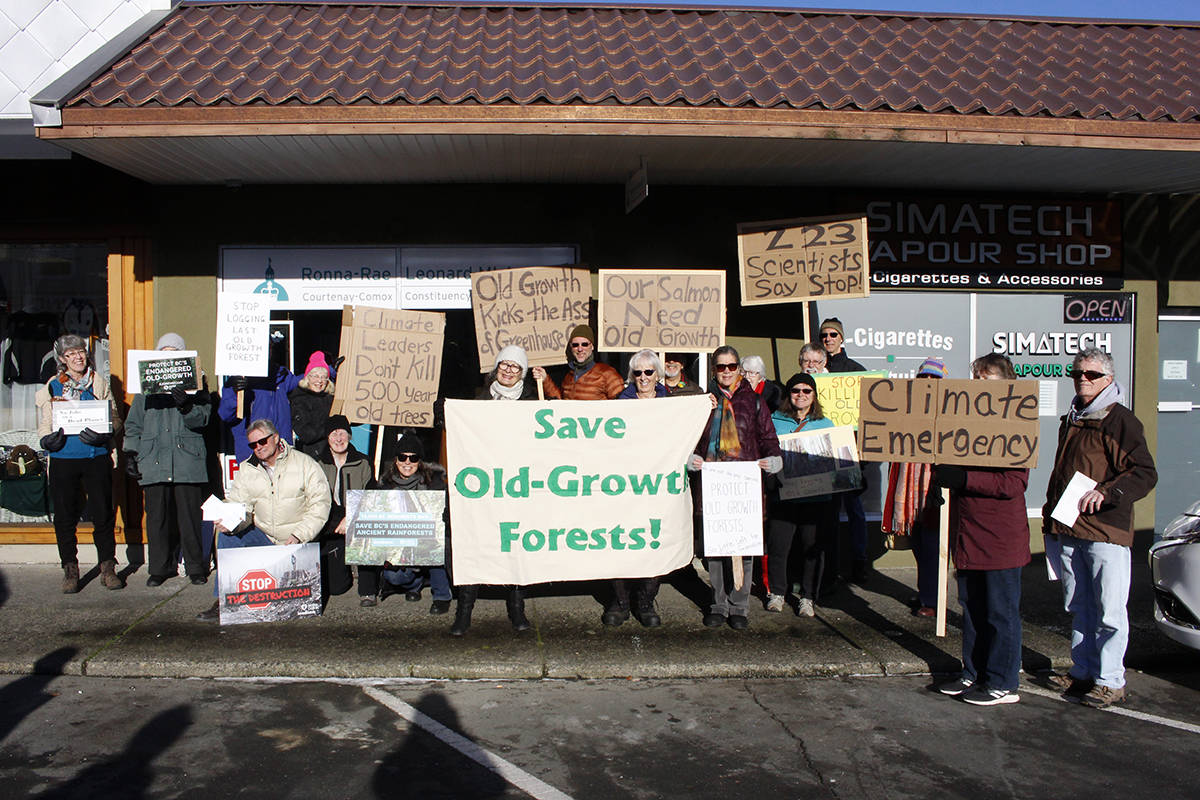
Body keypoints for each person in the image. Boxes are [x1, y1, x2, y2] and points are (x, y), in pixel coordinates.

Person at [1042, 347, 1157, 708]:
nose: (1082, 379)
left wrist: (1107, 492)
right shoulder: (1074, 417)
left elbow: (1144, 472)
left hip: (1105, 530)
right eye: (1077, 373)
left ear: (1108, 378)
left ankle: (1110, 680)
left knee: (1109, 610)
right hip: (1071, 528)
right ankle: (1084, 671)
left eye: (1091, 374)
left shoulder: (1119, 420)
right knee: (1079, 606)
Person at [932, 354, 1030, 706]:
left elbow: (1014, 483)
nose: (977, 384)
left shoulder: (1017, 423)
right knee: (971, 608)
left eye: (986, 379)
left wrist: (965, 478)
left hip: (1001, 536)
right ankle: (973, 671)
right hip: (969, 533)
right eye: (975, 377)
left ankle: (1003, 681)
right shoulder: (966, 420)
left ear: (1005, 383)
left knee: (1000, 612)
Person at [197, 418, 331, 621]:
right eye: (253, 444)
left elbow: (320, 505)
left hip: (295, 541)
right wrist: (229, 521)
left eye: (262, 442)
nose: (258, 448)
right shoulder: (247, 469)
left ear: (276, 438)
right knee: (226, 536)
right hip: (265, 538)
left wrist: (299, 535)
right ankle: (223, 600)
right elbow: (240, 506)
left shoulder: (305, 464)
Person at [689, 345, 783, 630]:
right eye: (721, 367)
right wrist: (691, 457)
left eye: (731, 367)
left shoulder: (754, 402)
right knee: (716, 549)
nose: (726, 372)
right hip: (713, 483)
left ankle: (739, 605)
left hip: (743, 485)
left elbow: (768, 437)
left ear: (739, 370)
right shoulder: (704, 401)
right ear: (714, 370)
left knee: (745, 546)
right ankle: (718, 603)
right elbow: (691, 437)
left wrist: (774, 458)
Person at [452, 345, 537, 636]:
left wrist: (546, 386)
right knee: (476, 543)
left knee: (515, 544)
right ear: (496, 367)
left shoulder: (532, 399)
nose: (509, 371)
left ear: (523, 372)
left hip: (517, 485)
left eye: (516, 367)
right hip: (484, 485)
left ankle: (516, 608)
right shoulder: (478, 400)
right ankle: (464, 611)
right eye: (505, 365)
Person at [37, 333, 125, 593]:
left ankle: (107, 567)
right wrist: (46, 441)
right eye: (71, 354)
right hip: (64, 458)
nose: (77, 357)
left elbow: (116, 417)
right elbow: (44, 422)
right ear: (62, 359)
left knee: (103, 514)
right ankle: (70, 569)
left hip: (95, 456)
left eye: (81, 352)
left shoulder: (99, 383)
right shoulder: (53, 386)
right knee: (64, 516)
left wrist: (107, 432)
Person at [123, 333, 211, 587]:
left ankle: (196, 566)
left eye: (174, 351)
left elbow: (203, 419)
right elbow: (134, 423)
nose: (168, 355)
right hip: (154, 458)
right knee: (157, 517)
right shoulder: (145, 387)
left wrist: (186, 405)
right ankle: (160, 567)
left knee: (190, 517)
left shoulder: (196, 383)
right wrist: (131, 452)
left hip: (186, 458)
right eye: (164, 351)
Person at [605, 349, 668, 627]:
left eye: (649, 372)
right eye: (638, 372)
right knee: (621, 539)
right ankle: (620, 601)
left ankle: (645, 600)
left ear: (658, 374)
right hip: (626, 484)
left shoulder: (672, 405)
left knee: (653, 541)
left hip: (659, 485)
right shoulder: (622, 402)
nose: (643, 377)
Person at [882, 357, 949, 618]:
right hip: (909, 488)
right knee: (920, 545)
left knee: (933, 546)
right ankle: (926, 591)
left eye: (934, 378)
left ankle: (933, 600)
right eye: (924, 378)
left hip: (933, 490)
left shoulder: (950, 410)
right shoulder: (907, 408)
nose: (929, 383)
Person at [765, 372, 834, 617]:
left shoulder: (825, 424)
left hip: (816, 498)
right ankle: (777, 593)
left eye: (807, 391)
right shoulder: (775, 420)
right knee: (778, 546)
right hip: (784, 495)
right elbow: (766, 450)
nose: (801, 395)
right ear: (789, 394)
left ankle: (807, 597)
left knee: (812, 548)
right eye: (796, 391)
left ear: (814, 396)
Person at [373, 432, 452, 615]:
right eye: (403, 457)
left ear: (420, 461)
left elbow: (446, 514)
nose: (407, 462)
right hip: (401, 544)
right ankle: (416, 583)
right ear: (396, 460)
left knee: (437, 551)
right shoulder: (385, 486)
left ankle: (441, 596)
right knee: (392, 575)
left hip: (429, 540)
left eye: (413, 458)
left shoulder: (434, 484)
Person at [818, 318, 870, 584]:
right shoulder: (817, 371)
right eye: (824, 335)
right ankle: (830, 566)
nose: (828, 339)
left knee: (854, 508)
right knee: (828, 512)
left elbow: (868, 416)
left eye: (833, 334)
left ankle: (859, 560)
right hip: (824, 451)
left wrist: (863, 457)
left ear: (842, 338)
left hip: (850, 452)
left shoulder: (855, 371)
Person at [317, 415, 375, 604]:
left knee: (367, 530)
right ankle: (341, 562)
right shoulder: (318, 463)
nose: (339, 438)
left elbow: (370, 495)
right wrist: (337, 520)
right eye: (334, 434)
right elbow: (317, 499)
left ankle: (368, 589)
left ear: (349, 436)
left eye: (342, 433)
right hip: (331, 518)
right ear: (327, 438)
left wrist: (350, 517)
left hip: (358, 513)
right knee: (337, 588)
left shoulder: (363, 462)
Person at [217, 343, 301, 462]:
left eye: (269, 347)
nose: (267, 352)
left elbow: (310, 379)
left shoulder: (282, 377)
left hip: (281, 452)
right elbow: (226, 415)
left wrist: (326, 369)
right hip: (253, 453)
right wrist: (237, 393)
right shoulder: (237, 382)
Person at [535, 324, 624, 400]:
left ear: (592, 346)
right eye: (575, 345)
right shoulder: (569, 376)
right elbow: (561, 403)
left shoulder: (607, 373)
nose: (580, 349)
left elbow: (623, 404)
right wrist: (545, 380)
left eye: (585, 344)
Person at [289, 352, 335, 457]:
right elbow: (306, 434)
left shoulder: (331, 399)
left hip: (332, 455)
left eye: (324, 377)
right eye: (315, 376)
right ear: (307, 378)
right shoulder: (299, 399)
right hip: (310, 455)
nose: (319, 381)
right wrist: (330, 428)